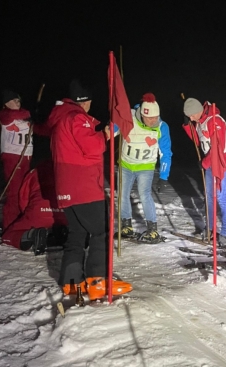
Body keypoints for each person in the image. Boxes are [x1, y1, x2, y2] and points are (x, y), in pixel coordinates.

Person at [50, 79, 132, 300]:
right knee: (101, 230)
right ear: (84, 102)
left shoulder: (59, 119)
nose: (88, 106)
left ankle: (71, 282)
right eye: (88, 102)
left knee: (77, 233)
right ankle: (98, 280)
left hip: (65, 188)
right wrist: (106, 133)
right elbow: (92, 147)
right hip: (84, 186)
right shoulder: (77, 118)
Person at [183, 98, 226, 247]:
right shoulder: (199, 122)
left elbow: (217, 147)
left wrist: (204, 163)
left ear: (198, 110)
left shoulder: (215, 120)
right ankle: (211, 229)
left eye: (192, 115)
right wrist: (187, 126)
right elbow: (198, 141)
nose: (191, 118)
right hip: (211, 162)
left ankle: (225, 233)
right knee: (209, 197)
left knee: (221, 197)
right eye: (188, 117)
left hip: (225, 161)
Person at [118, 93, 172, 243]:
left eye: (156, 117)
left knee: (144, 194)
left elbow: (166, 153)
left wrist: (163, 176)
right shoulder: (129, 117)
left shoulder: (161, 126)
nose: (153, 121)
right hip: (126, 164)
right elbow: (114, 129)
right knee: (123, 194)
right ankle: (126, 226)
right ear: (142, 114)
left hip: (145, 166)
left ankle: (152, 229)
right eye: (150, 118)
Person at [1, 159, 68, 255]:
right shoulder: (64, 170)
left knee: (7, 235)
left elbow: (23, 197)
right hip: (62, 213)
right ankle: (62, 232)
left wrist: (27, 214)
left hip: (37, 213)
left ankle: (32, 235)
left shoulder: (35, 172)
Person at [0, 90, 33, 230]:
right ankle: (9, 226)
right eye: (14, 100)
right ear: (6, 103)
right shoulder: (5, 114)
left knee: (24, 191)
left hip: (25, 157)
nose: (18, 102)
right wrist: (29, 114)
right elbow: (13, 116)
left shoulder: (23, 115)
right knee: (14, 192)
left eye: (18, 100)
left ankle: (19, 221)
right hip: (13, 157)